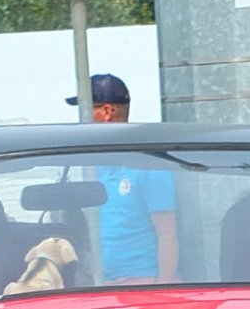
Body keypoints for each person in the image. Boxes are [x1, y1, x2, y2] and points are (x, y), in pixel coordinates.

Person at [65, 73, 178, 284]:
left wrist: (162, 286)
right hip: (98, 283)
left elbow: (167, 233)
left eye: (85, 110)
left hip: (140, 282)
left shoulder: (148, 164)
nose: (81, 119)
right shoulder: (90, 166)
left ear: (107, 111)